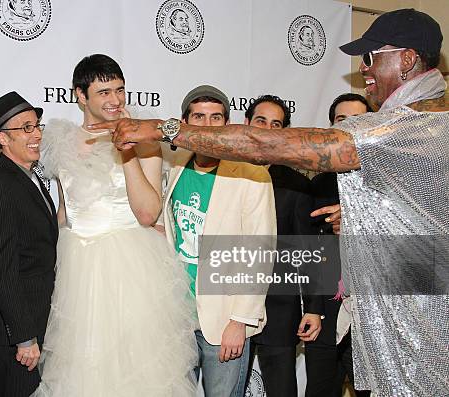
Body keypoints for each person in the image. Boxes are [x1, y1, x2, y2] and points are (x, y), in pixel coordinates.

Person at [95, 8, 448, 396]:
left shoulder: (411, 125)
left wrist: (162, 129)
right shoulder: (421, 121)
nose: (363, 69)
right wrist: (364, 219)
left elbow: (263, 148)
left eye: (370, 57)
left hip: (420, 326)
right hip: (403, 311)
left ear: (408, 59)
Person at [34, 54, 197, 396]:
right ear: (80, 95)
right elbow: (65, 211)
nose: (116, 100)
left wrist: (126, 150)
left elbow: (147, 213)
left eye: (120, 90)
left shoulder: (146, 137)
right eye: (104, 92)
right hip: (78, 269)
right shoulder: (60, 141)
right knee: (85, 368)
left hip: (132, 267)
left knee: (139, 370)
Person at [161, 86, 276, 396]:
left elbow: (260, 251)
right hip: (179, 319)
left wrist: (240, 321)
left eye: (216, 118)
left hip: (224, 320)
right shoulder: (175, 165)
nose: (208, 127)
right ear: (184, 123)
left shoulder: (251, 174)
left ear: (227, 124)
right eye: (199, 117)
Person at [0, 92, 58, 397]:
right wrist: (24, 337)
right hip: (15, 340)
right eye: (26, 128)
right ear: (2, 138)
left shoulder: (29, 176)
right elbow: (2, 269)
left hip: (38, 326)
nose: (36, 134)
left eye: (37, 125)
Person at [243, 95, 323, 397]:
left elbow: (308, 250)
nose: (266, 128)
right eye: (260, 121)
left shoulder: (296, 184)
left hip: (278, 309)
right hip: (227, 307)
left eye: (275, 124)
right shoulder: (224, 174)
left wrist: (314, 309)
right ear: (247, 124)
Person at [306, 93, 373, 397]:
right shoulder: (319, 184)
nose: (349, 127)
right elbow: (311, 252)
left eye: (358, 120)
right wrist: (314, 309)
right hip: (326, 312)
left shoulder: (385, 180)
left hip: (373, 315)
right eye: (341, 120)